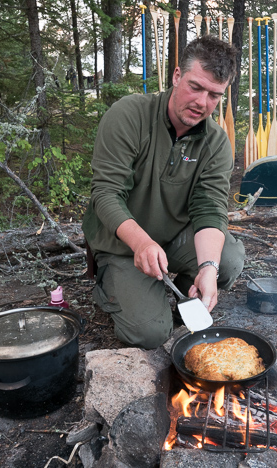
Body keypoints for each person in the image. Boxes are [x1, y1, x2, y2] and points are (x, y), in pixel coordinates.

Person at [82, 35, 245, 349]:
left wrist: (208, 269)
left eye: (214, 95)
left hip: (173, 239)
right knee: (150, 333)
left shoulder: (216, 143)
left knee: (227, 261)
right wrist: (142, 242)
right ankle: (109, 285)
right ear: (176, 76)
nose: (202, 103)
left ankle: (186, 284)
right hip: (122, 244)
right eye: (195, 87)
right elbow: (105, 193)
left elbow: (209, 208)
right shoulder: (131, 115)